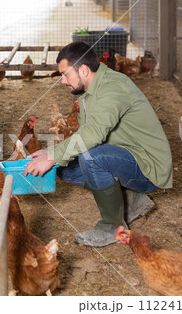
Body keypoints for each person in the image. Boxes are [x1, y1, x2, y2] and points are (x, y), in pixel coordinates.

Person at [24, 41, 173, 247]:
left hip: (148, 165)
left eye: (66, 74)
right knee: (63, 167)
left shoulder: (113, 87)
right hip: (125, 155)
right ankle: (132, 200)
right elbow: (86, 134)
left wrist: (52, 156)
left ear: (83, 70)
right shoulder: (89, 91)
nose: (62, 81)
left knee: (91, 158)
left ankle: (112, 227)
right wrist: (51, 153)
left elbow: (93, 134)